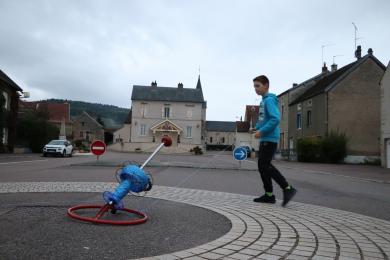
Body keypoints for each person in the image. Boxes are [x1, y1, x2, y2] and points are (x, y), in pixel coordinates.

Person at [252, 75, 297, 206]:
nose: (255, 89)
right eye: (254, 86)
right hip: (266, 137)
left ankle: (288, 188)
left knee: (265, 165)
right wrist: (256, 128)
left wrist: (262, 131)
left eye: (258, 86)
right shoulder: (263, 101)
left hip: (270, 138)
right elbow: (263, 119)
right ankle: (269, 195)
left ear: (266, 85)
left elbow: (275, 119)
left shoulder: (270, 100)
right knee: (262, 166)